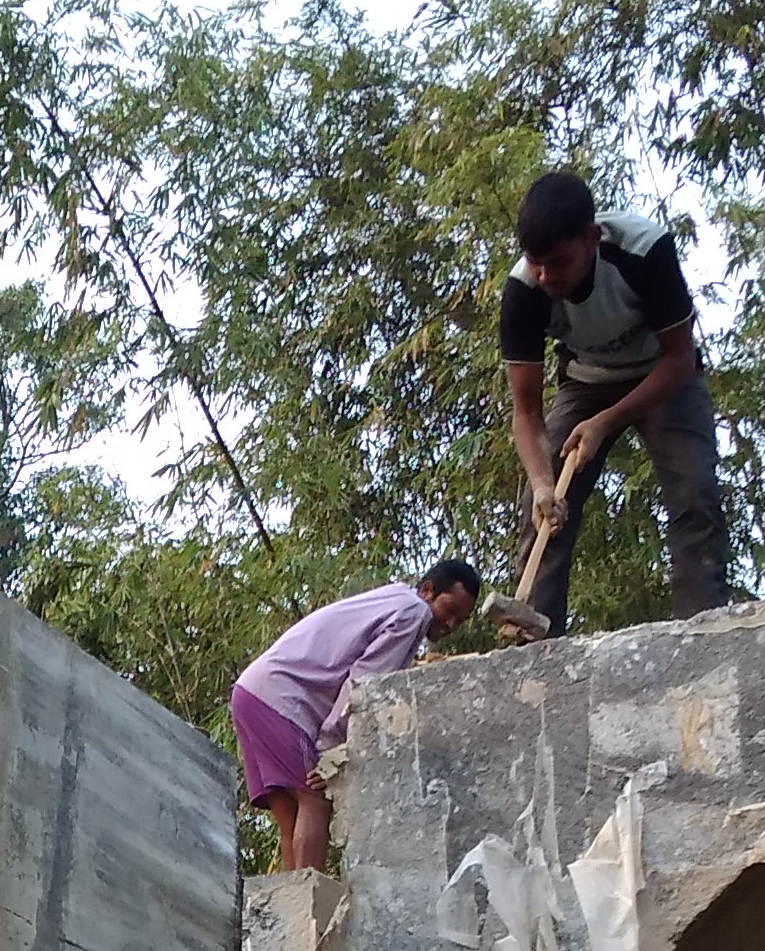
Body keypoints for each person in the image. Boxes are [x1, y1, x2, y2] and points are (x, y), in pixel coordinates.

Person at [495, 169, 730, 641]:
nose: (546, 276)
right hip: (584, 385)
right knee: (543, 511)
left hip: (662, 378)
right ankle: (534, 638)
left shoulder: (644, 252)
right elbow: (526, 415)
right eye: (535, 263)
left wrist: (606, 422)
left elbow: (680, 360)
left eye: (559, 262)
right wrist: (543, 484)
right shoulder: (523, 291)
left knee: (693, 492)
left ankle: (702, 630)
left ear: (592, 238)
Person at [229, 560, 483, 869]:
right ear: (428, 591)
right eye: (451, 610)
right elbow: (362, 683)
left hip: (251, 690)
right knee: (315, 799)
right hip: (281, 698)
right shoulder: (413, 612)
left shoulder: (392, 599)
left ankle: (290, 905)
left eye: (462, 619)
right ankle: (312, 906)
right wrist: (331, 749)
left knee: (289, 815)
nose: (452, 624)